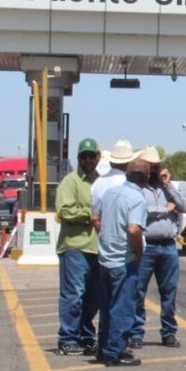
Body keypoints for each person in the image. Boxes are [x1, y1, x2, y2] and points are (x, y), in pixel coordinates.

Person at [131, 150, 186, 349]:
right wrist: (165, 209)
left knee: (169, 292)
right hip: (146, 246)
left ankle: (169, 332)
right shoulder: (138, 189)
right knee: (138, 291)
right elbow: (141, 210)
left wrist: (168, 185)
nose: (154, 170)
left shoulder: (167, 188)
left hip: (168, 246)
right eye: (151, 166)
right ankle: (136, 333)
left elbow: (184, 207)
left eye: (157, 166)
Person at [96, 156, 149, 367]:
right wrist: (138, 251)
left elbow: (94, 218)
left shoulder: (110, 193)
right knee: (123, 309)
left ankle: (104, 349)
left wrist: (106, 238)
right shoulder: (137, 198)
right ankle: (115, 353)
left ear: (127, 174)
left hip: (105, 259)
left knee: (107, 307)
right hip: (123, 260)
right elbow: (134, 229)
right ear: (146, 177)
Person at [54, 138, 101, 356]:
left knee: (93, 298)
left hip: (97, 247)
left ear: (98, 158)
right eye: (84, 156)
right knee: (73, 295)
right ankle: (67, 339)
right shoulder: (70, 181)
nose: (88, 160)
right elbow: (64, 210)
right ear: (79, 158)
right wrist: (89, 214)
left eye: (92, 156)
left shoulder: (100, 182)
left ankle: (86, 336)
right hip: (75, 247)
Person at [90, 139, 135, 232]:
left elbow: (94, 216)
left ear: (111, 162)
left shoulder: (98, 182)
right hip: (124, 235)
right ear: (130, 163)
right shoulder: (129, 184)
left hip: (103, 236)